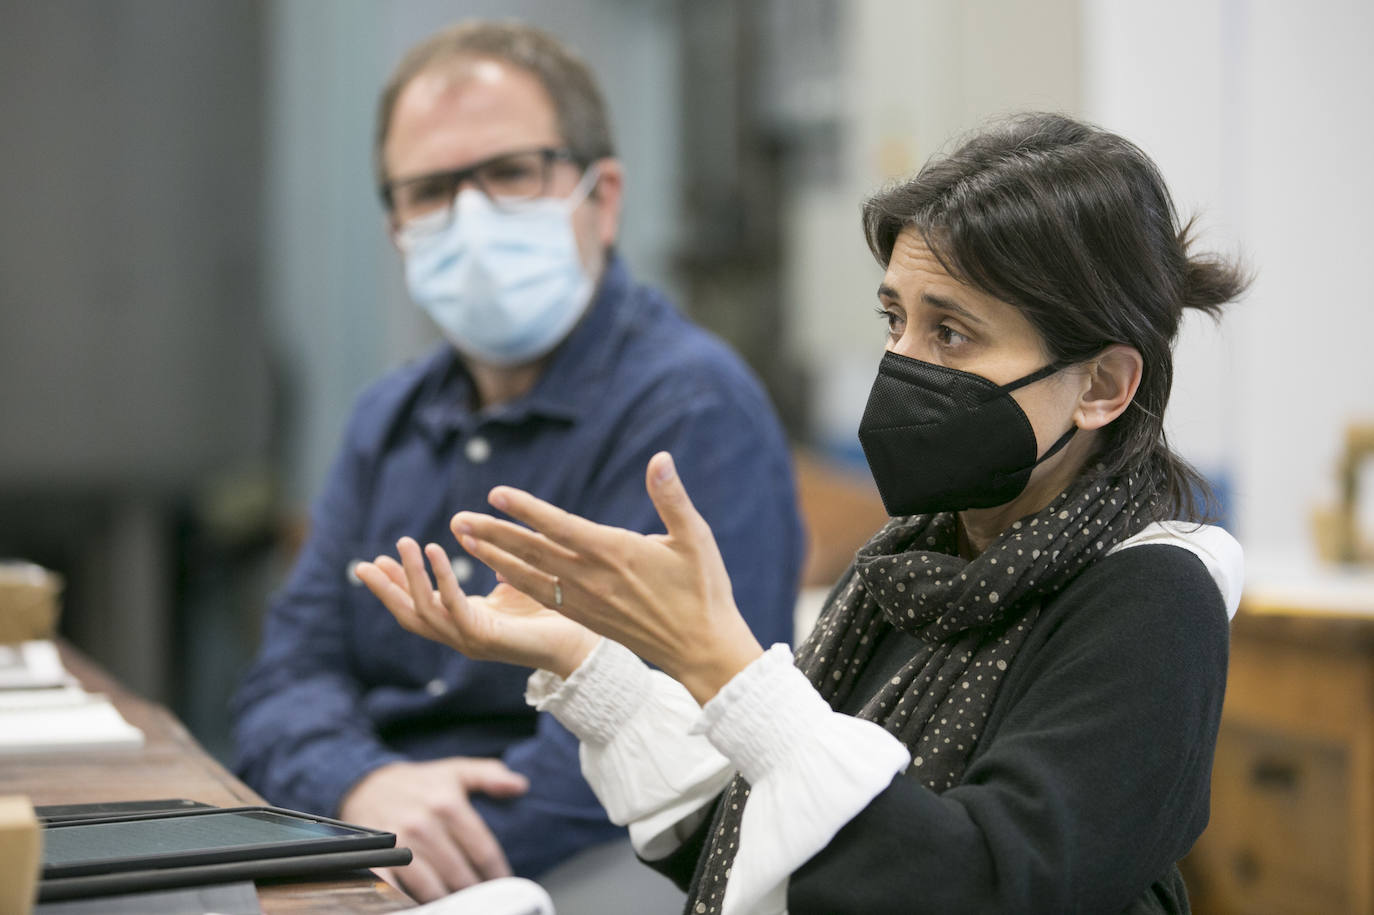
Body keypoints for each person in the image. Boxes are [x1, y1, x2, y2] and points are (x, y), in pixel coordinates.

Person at [358, 112, 1248, 914]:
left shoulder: (1152, 600)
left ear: (1100, 385)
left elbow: (972, 885)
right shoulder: (916, 567)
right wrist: (584, 656)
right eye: (896, 319)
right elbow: (762, 842)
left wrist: (723, 663)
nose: (903, 363)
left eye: (952, 332)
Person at [230, 20, 803, 903]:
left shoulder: (692, 410)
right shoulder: (388, 417)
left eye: (507, 173)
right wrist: (359, 788)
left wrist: (411, 850)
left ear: (601, 196)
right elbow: (286, 678)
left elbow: (681, 721)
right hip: (371, 841)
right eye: (429, 189)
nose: (469, 215)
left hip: (597, 861)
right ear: (396, 226)